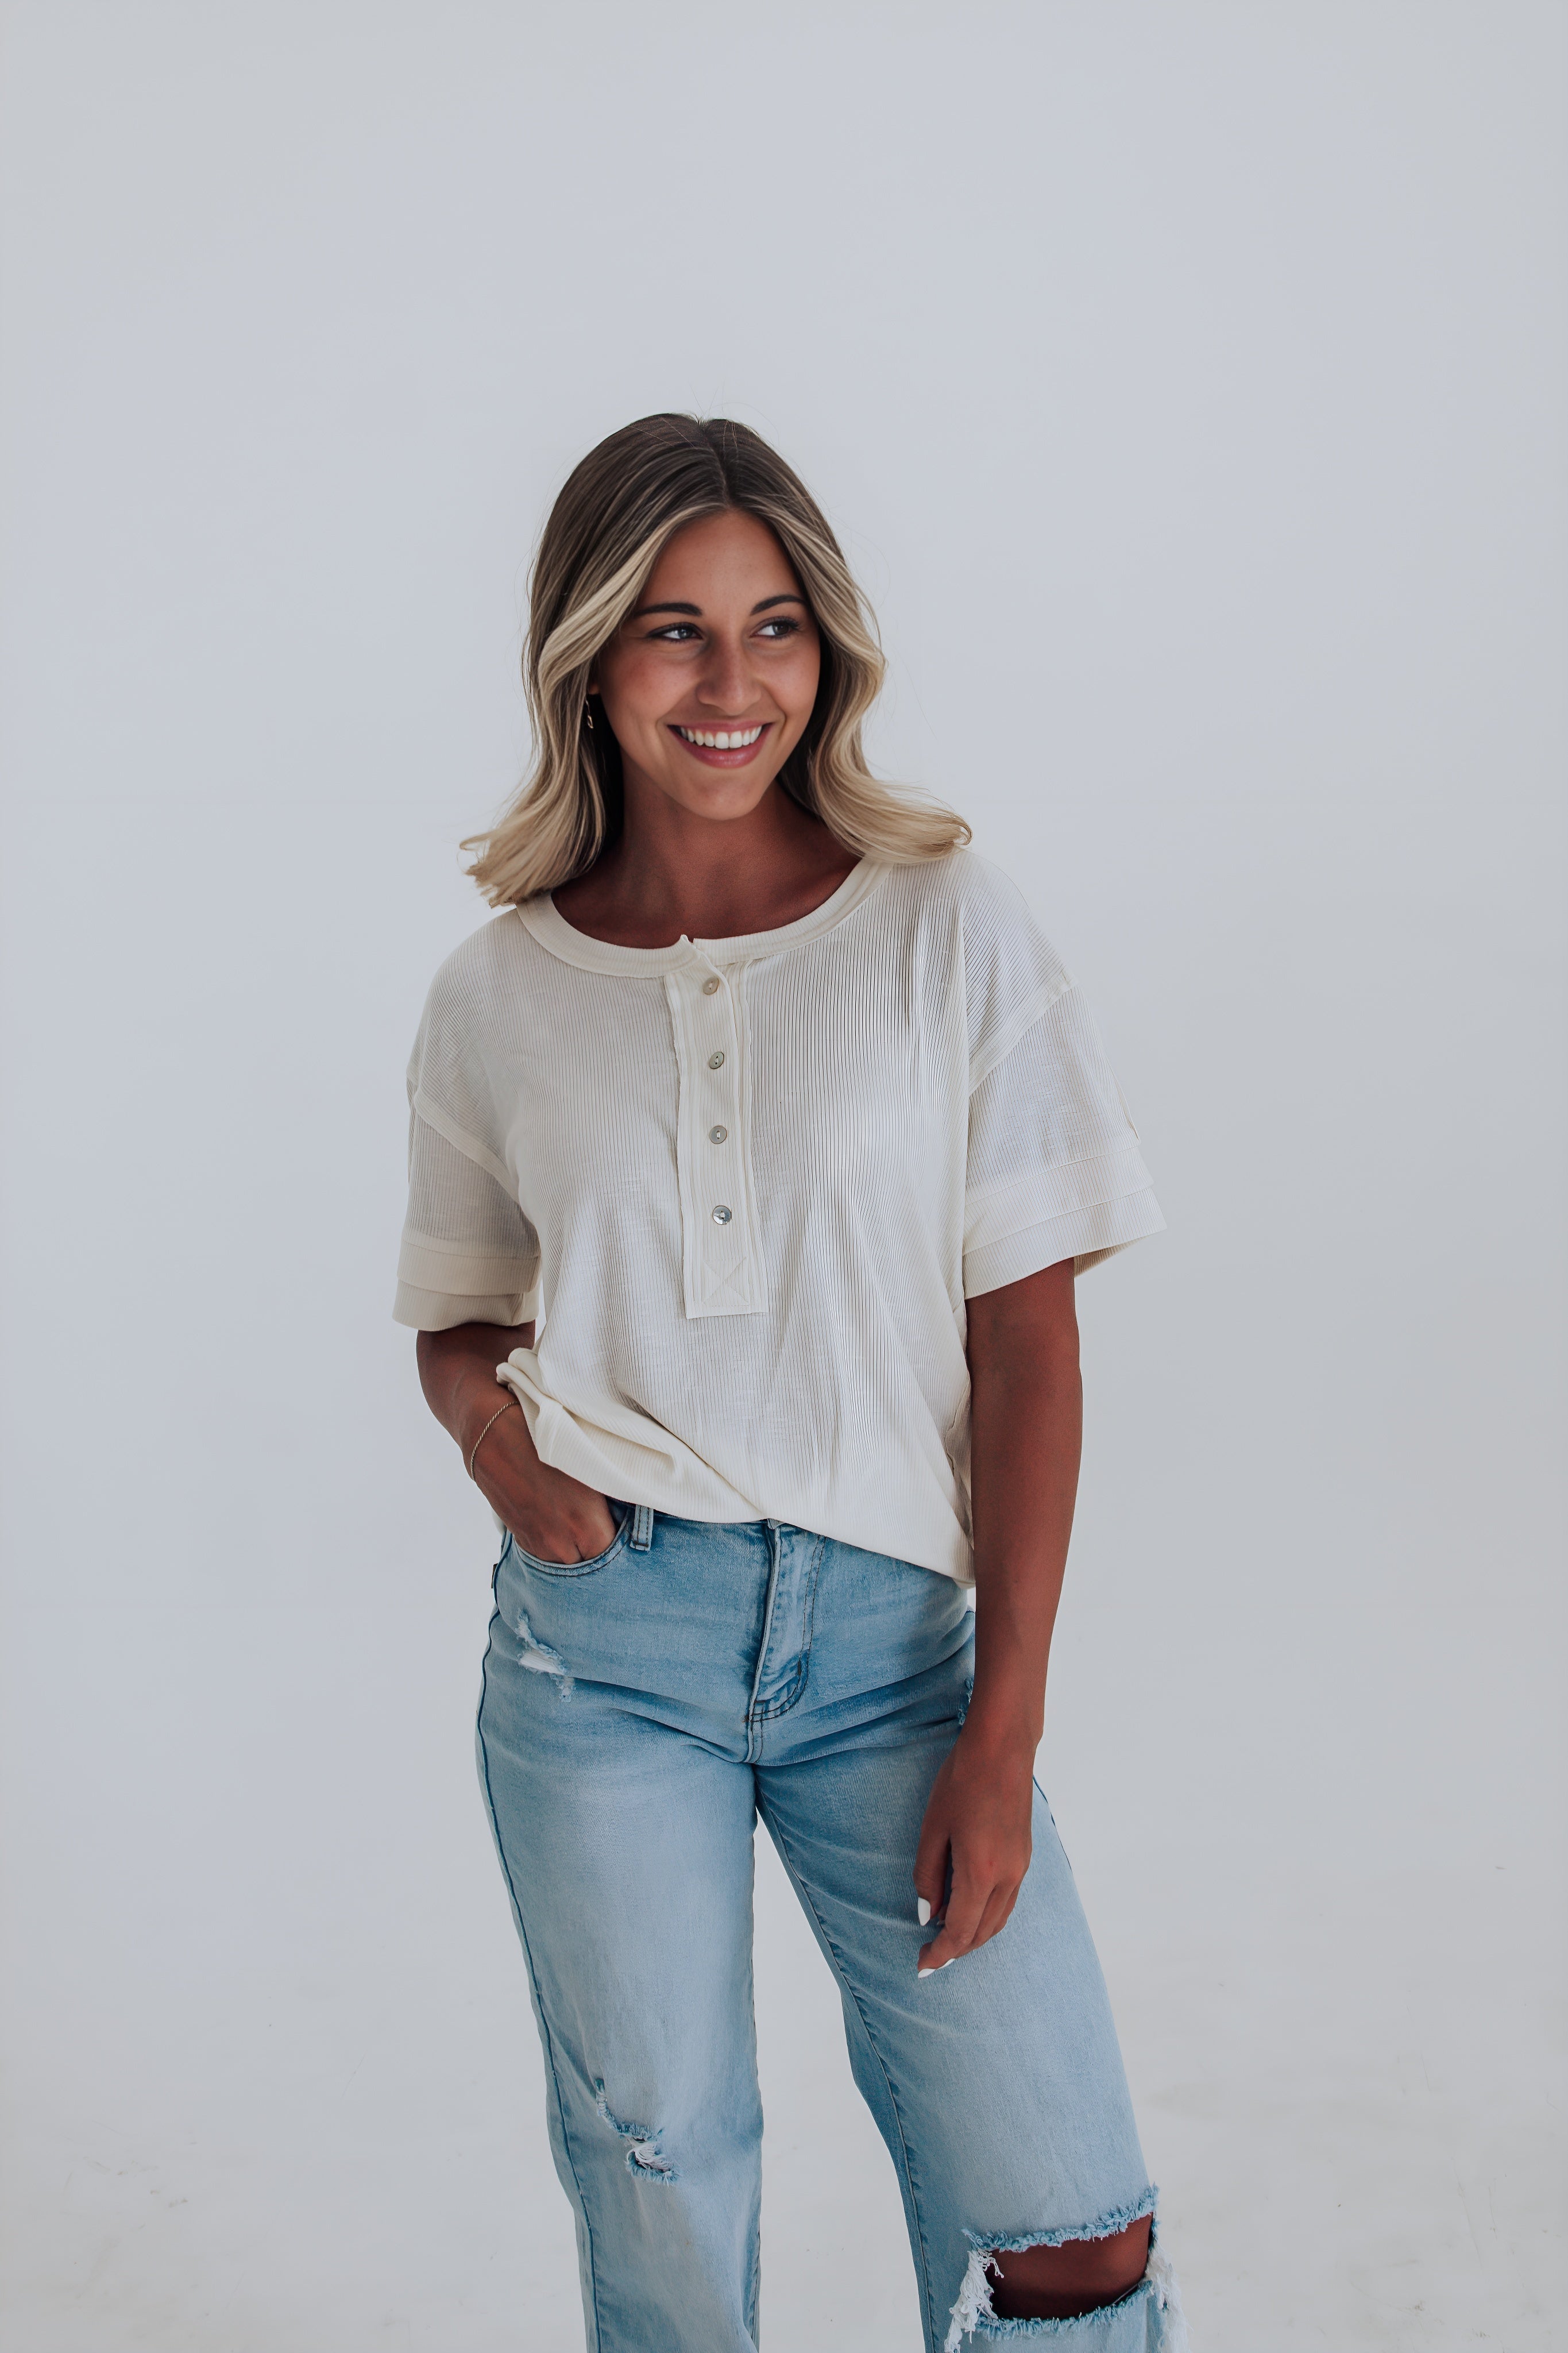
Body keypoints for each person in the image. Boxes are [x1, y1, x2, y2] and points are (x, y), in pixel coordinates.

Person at [396, 414, 1187, 2353]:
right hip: (604, 1657)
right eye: (672, 628)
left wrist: (1000, 1734)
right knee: (664, 2184)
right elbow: (458, 1315)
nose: (730, 681)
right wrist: (503, 1455)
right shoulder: (496, 992)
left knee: (1067, 2229)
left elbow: (1028, 1342)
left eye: (774, 626)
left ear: (827, 648)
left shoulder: (945, 922)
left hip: (895, 1660)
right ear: (588, 655)